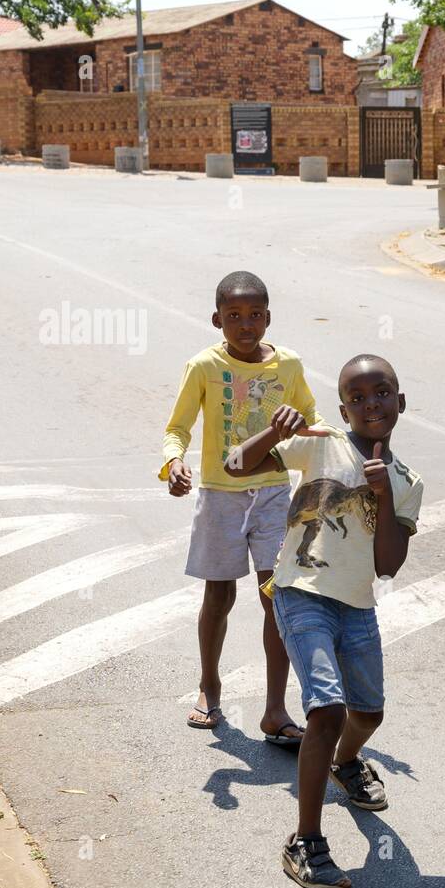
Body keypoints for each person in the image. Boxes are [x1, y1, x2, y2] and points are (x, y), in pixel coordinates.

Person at [224, 355, 424, 888]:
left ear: (400, 402)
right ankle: (305, 840)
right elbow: (238, 463)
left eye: (381, 393)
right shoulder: (321, 442)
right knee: (327, 707)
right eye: (356, 398)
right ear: (343, 409)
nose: (370, 405)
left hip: (357, 605)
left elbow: (388, 564)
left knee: (369, 712)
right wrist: (273, 429)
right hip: (300, 592)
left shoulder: (406, 481)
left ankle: (346, 762)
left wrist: (381, 497)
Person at [161, 270, 314, 745]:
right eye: (234, 317)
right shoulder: (204, 366)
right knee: (219, 595)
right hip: (220, 495)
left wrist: (306, 423)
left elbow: (311, 417)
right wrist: (173, 464)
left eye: (254, 316)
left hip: (272, 492)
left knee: (276, 599)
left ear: (268, 317)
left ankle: (274, 708)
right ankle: (209, 684)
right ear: (217, 320)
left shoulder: (288, 365)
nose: (245, 325)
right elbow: (177, 428)